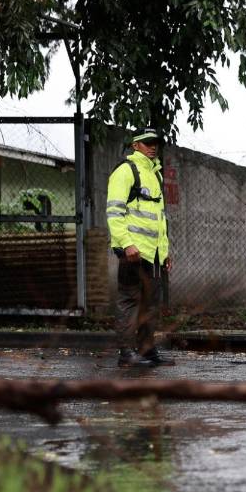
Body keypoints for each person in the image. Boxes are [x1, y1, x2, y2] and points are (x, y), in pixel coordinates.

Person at [106, 127, 175, 368]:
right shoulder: (126, 171)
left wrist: (164, 252)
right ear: (136, 145)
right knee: (129, 302)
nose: (153, 147)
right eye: (147, 143)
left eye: (155, 142)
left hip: (152, 254)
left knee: (150, 304)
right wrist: (127, 245)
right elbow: (114, 213)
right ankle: (126, 354)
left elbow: (159, 218)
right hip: (132, 253)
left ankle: (146, 350)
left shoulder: (154, 174)